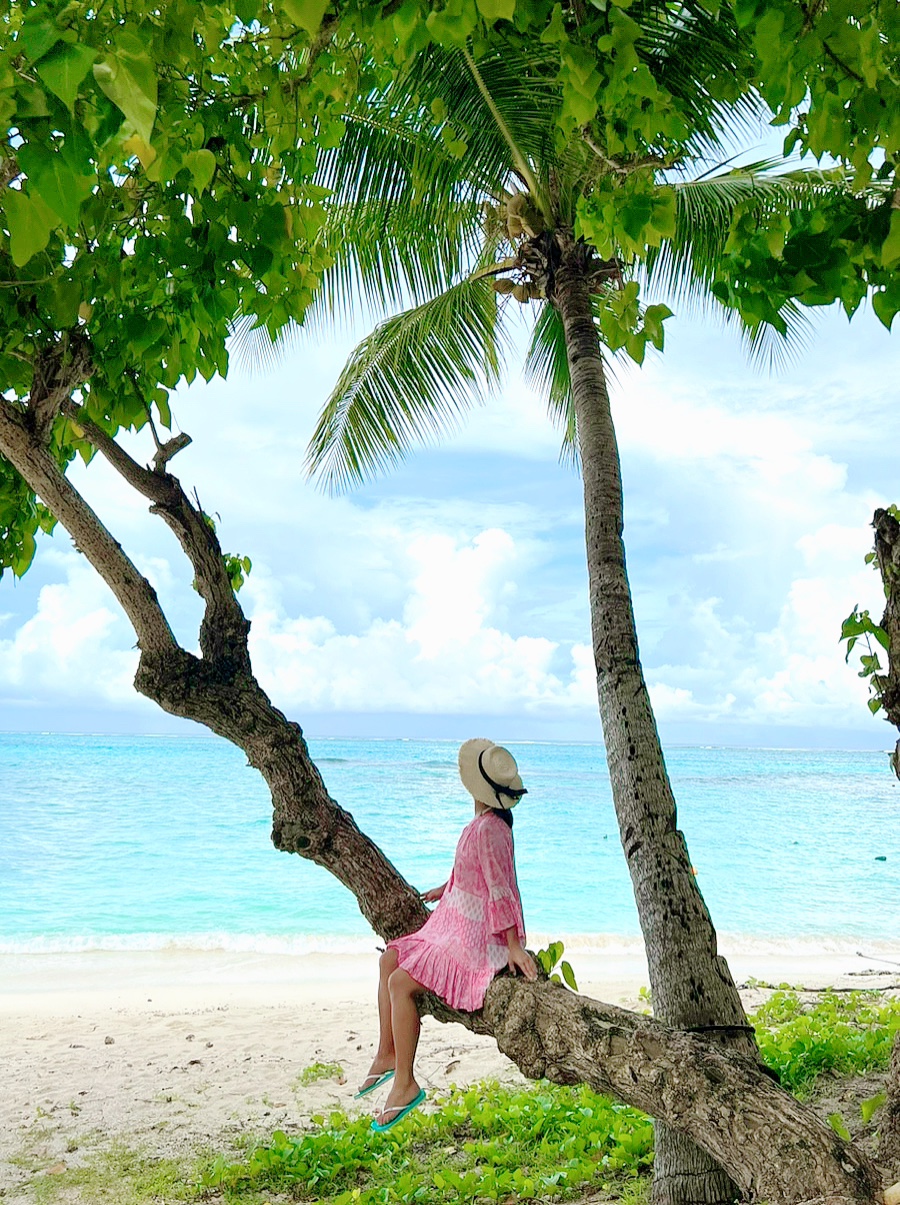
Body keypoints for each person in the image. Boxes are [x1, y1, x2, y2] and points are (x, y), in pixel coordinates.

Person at [357, 738, 537, 1133]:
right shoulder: (484, 823)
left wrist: (512, 946)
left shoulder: (491, 830)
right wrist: (448, 885)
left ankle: (405, 1083)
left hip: (477, 937)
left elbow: (501, 887)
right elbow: (474, 870)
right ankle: (387, 1053)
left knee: (400, 983)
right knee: (388, 958)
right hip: (454, 918)